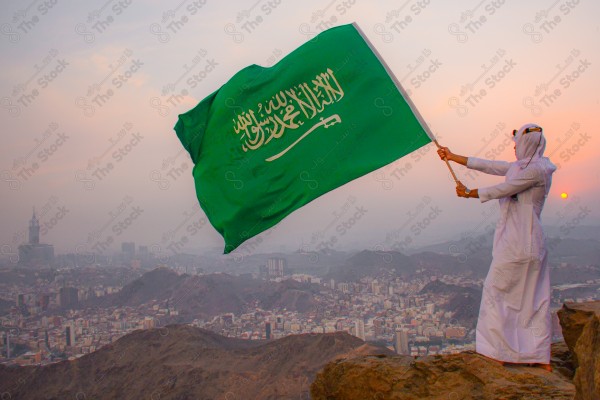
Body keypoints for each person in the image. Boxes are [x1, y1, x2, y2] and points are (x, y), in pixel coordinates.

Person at [437, 123, 557, 372]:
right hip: (530, 242)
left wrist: (470, 193)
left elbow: (504, 188)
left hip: (518, 242)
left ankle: (498, 352)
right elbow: (490, 165)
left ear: (526, 145)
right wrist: (452, 156)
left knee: (496, 291)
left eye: (517, 145)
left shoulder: (533, 172)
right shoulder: (530, 167)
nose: (514, 149)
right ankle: (535, 354)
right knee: (532, 298)